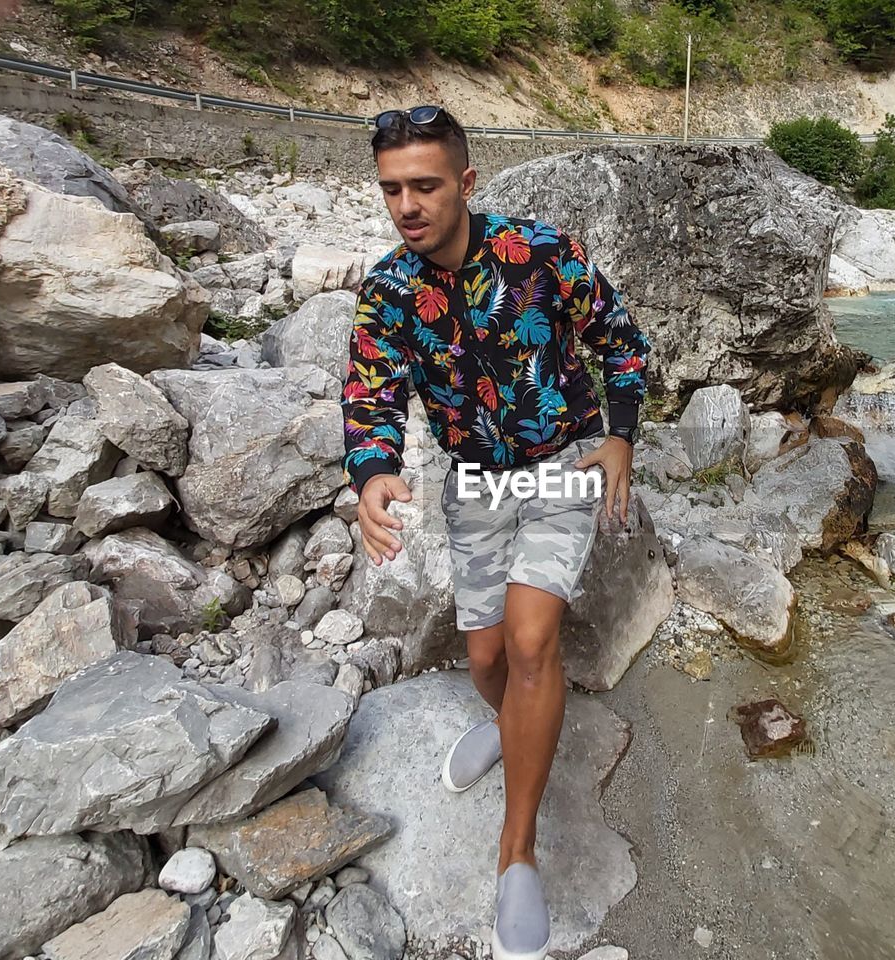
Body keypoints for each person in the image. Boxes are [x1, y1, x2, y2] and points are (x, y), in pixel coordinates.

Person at [339, 105, 651, 960]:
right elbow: (369, 394)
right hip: (472, 483)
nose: (407, 204)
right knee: (484, 659)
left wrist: (620, 433)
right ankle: (507, 722)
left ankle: (517, 855)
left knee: (530, 641)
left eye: (425, 186)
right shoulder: (388, 291)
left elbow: (620, 342)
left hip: (562, 467)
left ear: (466, 183)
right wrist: (371, 473)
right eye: (392, 188)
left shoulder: (542, 254)